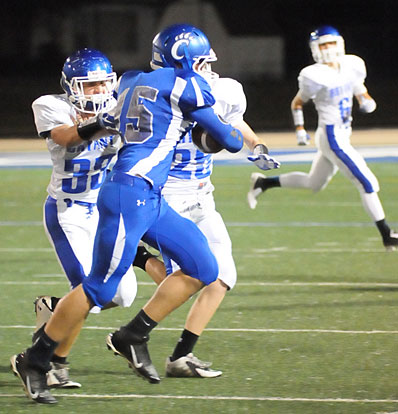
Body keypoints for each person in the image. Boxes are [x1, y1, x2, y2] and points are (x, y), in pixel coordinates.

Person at [11, 24, 244, 404]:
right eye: (201, 62)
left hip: (146, 197)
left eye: (104, 84)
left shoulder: (134, 83)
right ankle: (36, 360)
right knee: (98, 290)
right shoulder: (180, 86)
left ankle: (132, 335)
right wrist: (220, 130)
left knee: (204, 267)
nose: (206, 69)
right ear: (185, 60)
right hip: (101, 201)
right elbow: (228, 139)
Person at [10, 48, 156, 391]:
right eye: (90, 86)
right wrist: (107, 121)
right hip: (68, 212)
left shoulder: (121, 104)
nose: (100, 92)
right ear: (72, 87)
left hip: (102, 209)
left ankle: (53, 311)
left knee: (123, 295)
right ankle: (43, 360)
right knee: (92, 293)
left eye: (105, 84)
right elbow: (66, 136)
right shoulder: (50, 106)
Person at [149, 24, 280, 378]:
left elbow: (235, 120)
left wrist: (256, 146)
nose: (208, 70)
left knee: (222, 275)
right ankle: (137, 262)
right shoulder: (156, 96)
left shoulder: (223, 90)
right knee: (184, 279)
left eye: (207, 62)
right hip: (166, 196)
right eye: (200, 63)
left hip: (202, 193)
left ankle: (180, 356)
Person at [247, 25, 398, 251]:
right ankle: (387, 234)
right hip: (331, 136)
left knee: (313, 183)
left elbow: (358, 86)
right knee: (366, 182)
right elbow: (297, 102)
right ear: (315, 49)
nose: (327, 49)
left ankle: (264, 182)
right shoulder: (313, 75)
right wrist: (299, 128)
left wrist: (365, 99)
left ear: (339, 44)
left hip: (343, 133)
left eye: (330, 44)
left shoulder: (352, 65)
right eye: (322, 45)